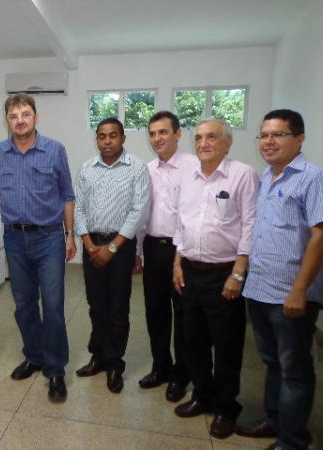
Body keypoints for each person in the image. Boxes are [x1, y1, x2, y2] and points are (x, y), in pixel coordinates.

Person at [235, 110, 323, 450]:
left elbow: (322, 235)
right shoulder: (269, 176)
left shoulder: (314, 177)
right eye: (264, 135)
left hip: (291, 295)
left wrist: (299, 290)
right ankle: (275, 422)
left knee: (294, 369)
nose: (268, 141)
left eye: (278, 134)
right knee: (272, 361)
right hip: (261, 288)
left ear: (300, 138)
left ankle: (293, 442)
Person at [0, 93, 76, 403]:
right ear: (7, 120)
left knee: (53, 305)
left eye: (25, 114)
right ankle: (34, 356)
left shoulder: (54, 150)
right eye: (13, 115)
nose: (19, 120)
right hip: (15, 240)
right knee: (23, 305)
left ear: (35, 117)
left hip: (49, 238)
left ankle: (56, 368)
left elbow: (67, 195)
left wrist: (70, 234)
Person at [172, 118, 259, 439]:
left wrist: (238, 273)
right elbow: (182, 224)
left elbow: (251, 226)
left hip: (225, 274)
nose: (203, 143)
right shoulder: (190, 178)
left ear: (227, 142)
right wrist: (178, 263)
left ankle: (225, 408)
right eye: (198, 138)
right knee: (192, 342)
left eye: (211, 137)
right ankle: (202, 396)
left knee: (226, 346)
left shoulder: (243, 175)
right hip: (191, 271)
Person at [74, 117, 149, 393]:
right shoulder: (86, 169)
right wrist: (89, 243)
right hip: (92, 244)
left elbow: (139, 211)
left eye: (113, 135)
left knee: (118, 307)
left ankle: (115, 362)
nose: (107, 141)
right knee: (96, 305)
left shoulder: (137, 168)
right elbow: (79, 208)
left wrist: (113, 247)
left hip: (121, 246)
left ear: (122, 138)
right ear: (97, 139)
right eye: (102, 136)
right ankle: (98, 356)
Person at [138, 111, 198, 403]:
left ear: (177, 134)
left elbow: (194, 214)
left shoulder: (193, 167)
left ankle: (181, 374)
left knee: (184, 315)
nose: (157, 138)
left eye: (163, 132)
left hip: (181, 252)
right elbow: (142, 214)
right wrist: (138, 251)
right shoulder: (147, 170)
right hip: (153, 247)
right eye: (152, 133)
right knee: (155, 312)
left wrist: (181, 254)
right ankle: (160, 367)